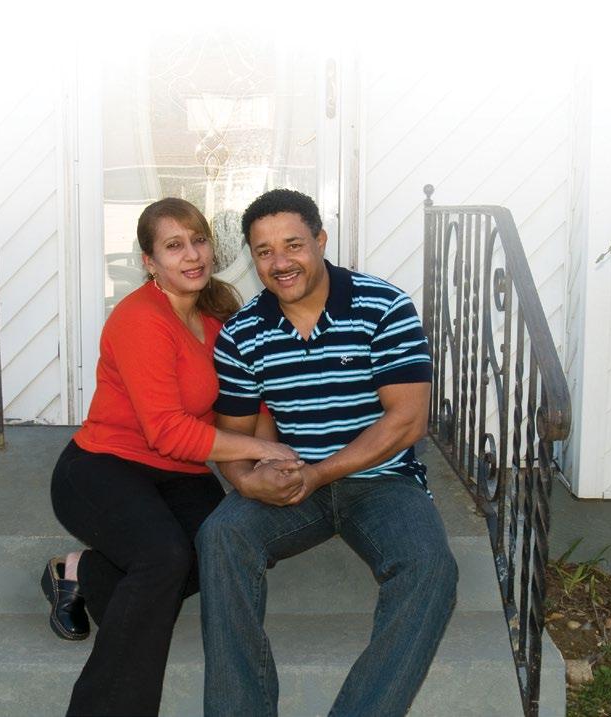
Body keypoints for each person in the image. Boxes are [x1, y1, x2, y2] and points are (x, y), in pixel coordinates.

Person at [195, 189, 459, 717]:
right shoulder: (242, 334)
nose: (280, 262)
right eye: (264, 251)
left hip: (383, 481)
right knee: (221, 535)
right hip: (295, 481)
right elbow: (233, 436)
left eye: (293, 244)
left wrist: (320, 473)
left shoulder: (382, 306)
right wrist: (246, 480)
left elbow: (407, 421)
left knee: (430, 567)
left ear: (320, 240)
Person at [42, 197, 297, 717]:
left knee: (222, 549)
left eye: (199, 240)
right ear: (150, 261)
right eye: (174, 245)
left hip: (178, 473)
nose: (192, 255)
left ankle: (80, 573)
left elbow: (251, 399)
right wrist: (261, 449)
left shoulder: (217, 317)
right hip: (102, 466)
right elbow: (166, 432)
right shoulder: (139, 319)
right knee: (163, 558)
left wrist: (268, 462)